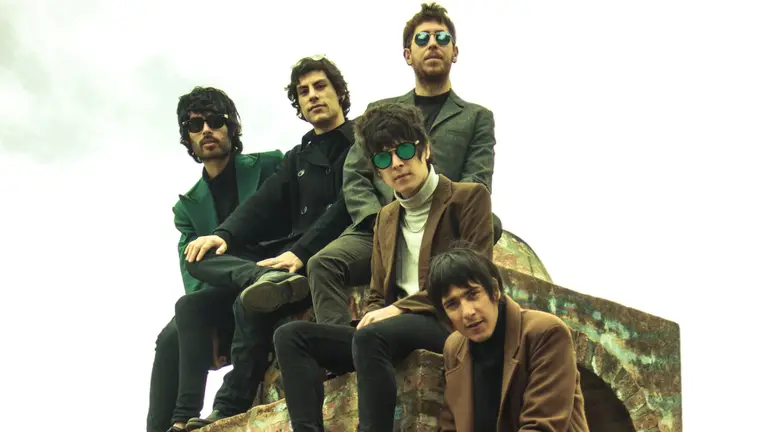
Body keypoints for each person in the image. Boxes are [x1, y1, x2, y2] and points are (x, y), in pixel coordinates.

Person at [273, 102, 494, 432]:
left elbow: (474, 276)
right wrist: (375, 314)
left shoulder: (468, 198)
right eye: (382, 158)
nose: (396, 164)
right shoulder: (386, 218)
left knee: (372, 335)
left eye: (404, 150)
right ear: (377, 172)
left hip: (446, 321)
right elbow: (377, 294)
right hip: (387, 333)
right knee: (291, 336)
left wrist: (397, 310)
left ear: (425, 150)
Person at [179, 56, 356, 430]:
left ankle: (228, 404)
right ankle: (258, 278)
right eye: (303, 92)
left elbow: (347, 206)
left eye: (320, 86)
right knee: (199, 256)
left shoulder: (362, 140)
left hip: (334, 250)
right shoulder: (298, 157)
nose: (312, 96)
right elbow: (261, 205)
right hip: (283, 263)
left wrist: (300, 253)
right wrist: (222, 235)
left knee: (248, 304)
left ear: (340, 92)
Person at [306, 2, 500, 327]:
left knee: (491, 223)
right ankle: (343, 348)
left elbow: (478, 179)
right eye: (422, 39)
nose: (433, 44)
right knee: (322, 263)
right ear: (408, 54)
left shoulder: (477, 116)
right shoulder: (379, 111)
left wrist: (439, 216)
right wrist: (380, 222)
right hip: (380, 229)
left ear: (454, 51)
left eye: (442, 37)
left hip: (443, 227)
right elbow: (355, 174)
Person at [146, 86, 283, 432]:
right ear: (188, 137)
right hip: (224, 289)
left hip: (273, 272)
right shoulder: (187, 207)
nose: (206, 130)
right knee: (171, 335)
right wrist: (203, 326)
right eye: (195, 125)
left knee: (187, 314)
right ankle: (171, 425)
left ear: (231, 127)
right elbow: (193, 275)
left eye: (215, 121)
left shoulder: (269, 165)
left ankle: (183, 416)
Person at [427, 247, 590, 431]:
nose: (467, 312)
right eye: (452, 304)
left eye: (473, 294)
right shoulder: (454, 347)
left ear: (495, 290)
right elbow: (450, 426)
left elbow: (541, 426)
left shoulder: (545, 332)